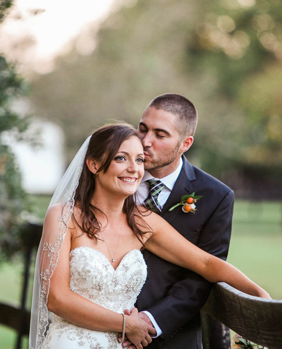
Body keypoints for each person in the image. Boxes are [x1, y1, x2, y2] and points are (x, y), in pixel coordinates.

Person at [29, 123, 269, 349]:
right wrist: (125, 324)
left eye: (140, 159)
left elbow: (205, 262)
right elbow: (56, 299)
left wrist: (260, 294)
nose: (134, 168)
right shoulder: (63, 216)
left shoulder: (143, 222)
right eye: (121, 158)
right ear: (93, 164)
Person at [124, 93, 235, 349]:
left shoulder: (215, 196)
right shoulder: (113, 177)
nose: (145, 141)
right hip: (101, 325)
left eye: (160, 135)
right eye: (142, 129)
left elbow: (202, 275)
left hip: (172, 338)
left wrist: (149, 321)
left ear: (185, 143)